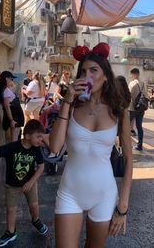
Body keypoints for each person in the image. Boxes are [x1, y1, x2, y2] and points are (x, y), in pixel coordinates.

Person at [49, 42, 133, 248]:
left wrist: (123, 206)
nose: (88, 75)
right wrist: (67, 101)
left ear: (105, 75)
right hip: (70, 192)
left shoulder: (118, 110)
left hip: (104, 194)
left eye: (94, 70)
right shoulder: (72, 105)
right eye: (83, 71)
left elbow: (129, 159)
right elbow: (54, 147)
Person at [0, 119, 48, 247]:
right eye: (38, 137)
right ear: (27, 136)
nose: (41, 140)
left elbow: (41, 167)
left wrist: (31, 182)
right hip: (12, 186)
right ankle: (11, 232)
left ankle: (36, 220)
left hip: (30, 183)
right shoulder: (13, 147)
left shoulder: (36, 149)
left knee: (34, 206)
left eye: (42, 137)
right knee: (11, 209)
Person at [0, 71, 25, 142]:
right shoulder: (5, 91)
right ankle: (13, 153)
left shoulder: (4, 88)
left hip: (15, 115)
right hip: (15, 117)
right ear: (6, 79)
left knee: (14, 138)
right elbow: (7, 106)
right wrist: (12, 120)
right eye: (11, 79)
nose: (12, 81)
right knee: (14, 140)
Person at [128, 67, 147, 151]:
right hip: (140, 108)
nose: (131, 76)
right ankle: (140, 145)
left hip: (132, 108)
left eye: (132, 74)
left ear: (134, 74)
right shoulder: (143, 83)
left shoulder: (132, 83)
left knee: (126, 126)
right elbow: (146, 95)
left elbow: (128, 95)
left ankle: (126, 145)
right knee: (139, 127)